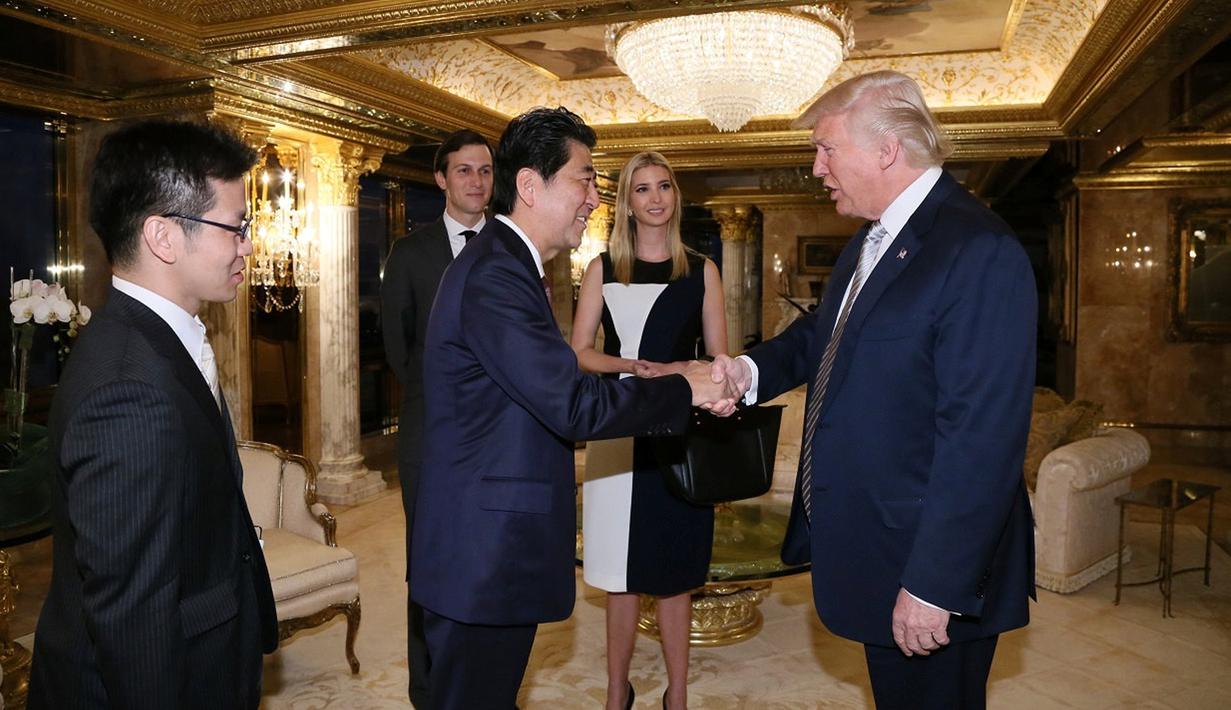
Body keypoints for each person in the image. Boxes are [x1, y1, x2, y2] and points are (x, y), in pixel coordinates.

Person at [712, 70, 1037, 709]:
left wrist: (935, 585)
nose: (816, 167)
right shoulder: (872, 238)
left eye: (827, 148)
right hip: (879, 544)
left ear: (886, 149)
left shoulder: (976, 249)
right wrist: (746, 373)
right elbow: (819, 342)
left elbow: (982, 440)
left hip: (930, 565)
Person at [409, 107, 737, 710]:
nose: (594, 196)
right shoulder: (495, 275)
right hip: (481, 559)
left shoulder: (506, 266)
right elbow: (573, 402)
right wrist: (685, 387)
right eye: (584, 179)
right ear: (532, 186)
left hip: (489, 552)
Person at [28, 120, 278, 709]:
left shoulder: (156, 337)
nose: (247, 245)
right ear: (164, 238)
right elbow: (133, 614)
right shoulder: (127, 390)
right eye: (236, 227)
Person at [570, 151, 726, 710]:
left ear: (675, 197)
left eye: (664, 186)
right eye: (642, 189)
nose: (655, 197)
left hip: (679, 432)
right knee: (619, 573)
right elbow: (581, 354)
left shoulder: (701, 270)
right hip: (617, 428)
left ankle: (677, 694)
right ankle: (618, 691)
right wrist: (631, 366)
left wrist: (684, 372)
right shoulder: (601, 269)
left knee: (676, 574)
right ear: (627, 203)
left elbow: (720, 361)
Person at [380, 128, 493, 709]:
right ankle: (429, 691)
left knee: (487, 560)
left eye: (485, 171)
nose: (476, 181)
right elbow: (397, 347)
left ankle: (484, 685)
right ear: (442, 179)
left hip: (497, 440)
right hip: (431, 435)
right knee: (428, 564)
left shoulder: (510, 246)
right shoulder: (411, 252)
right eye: (465, 171)